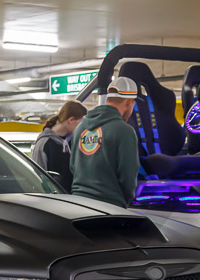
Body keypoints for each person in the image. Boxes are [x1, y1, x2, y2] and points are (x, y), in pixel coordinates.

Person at [69, 76, 140, 207]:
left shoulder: (80, 129)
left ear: (108, 99)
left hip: (78, 203)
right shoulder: (124, 131)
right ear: (129, 102)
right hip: (109, 206)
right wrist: (125, 200)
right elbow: (128, 175)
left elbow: (73, 167)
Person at [30, 100, 87, 188]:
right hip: (54, 195)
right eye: (81, 124)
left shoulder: (75, 140)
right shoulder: (44, 144)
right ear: (71, 120)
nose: (83, 128)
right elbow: (38, 178)